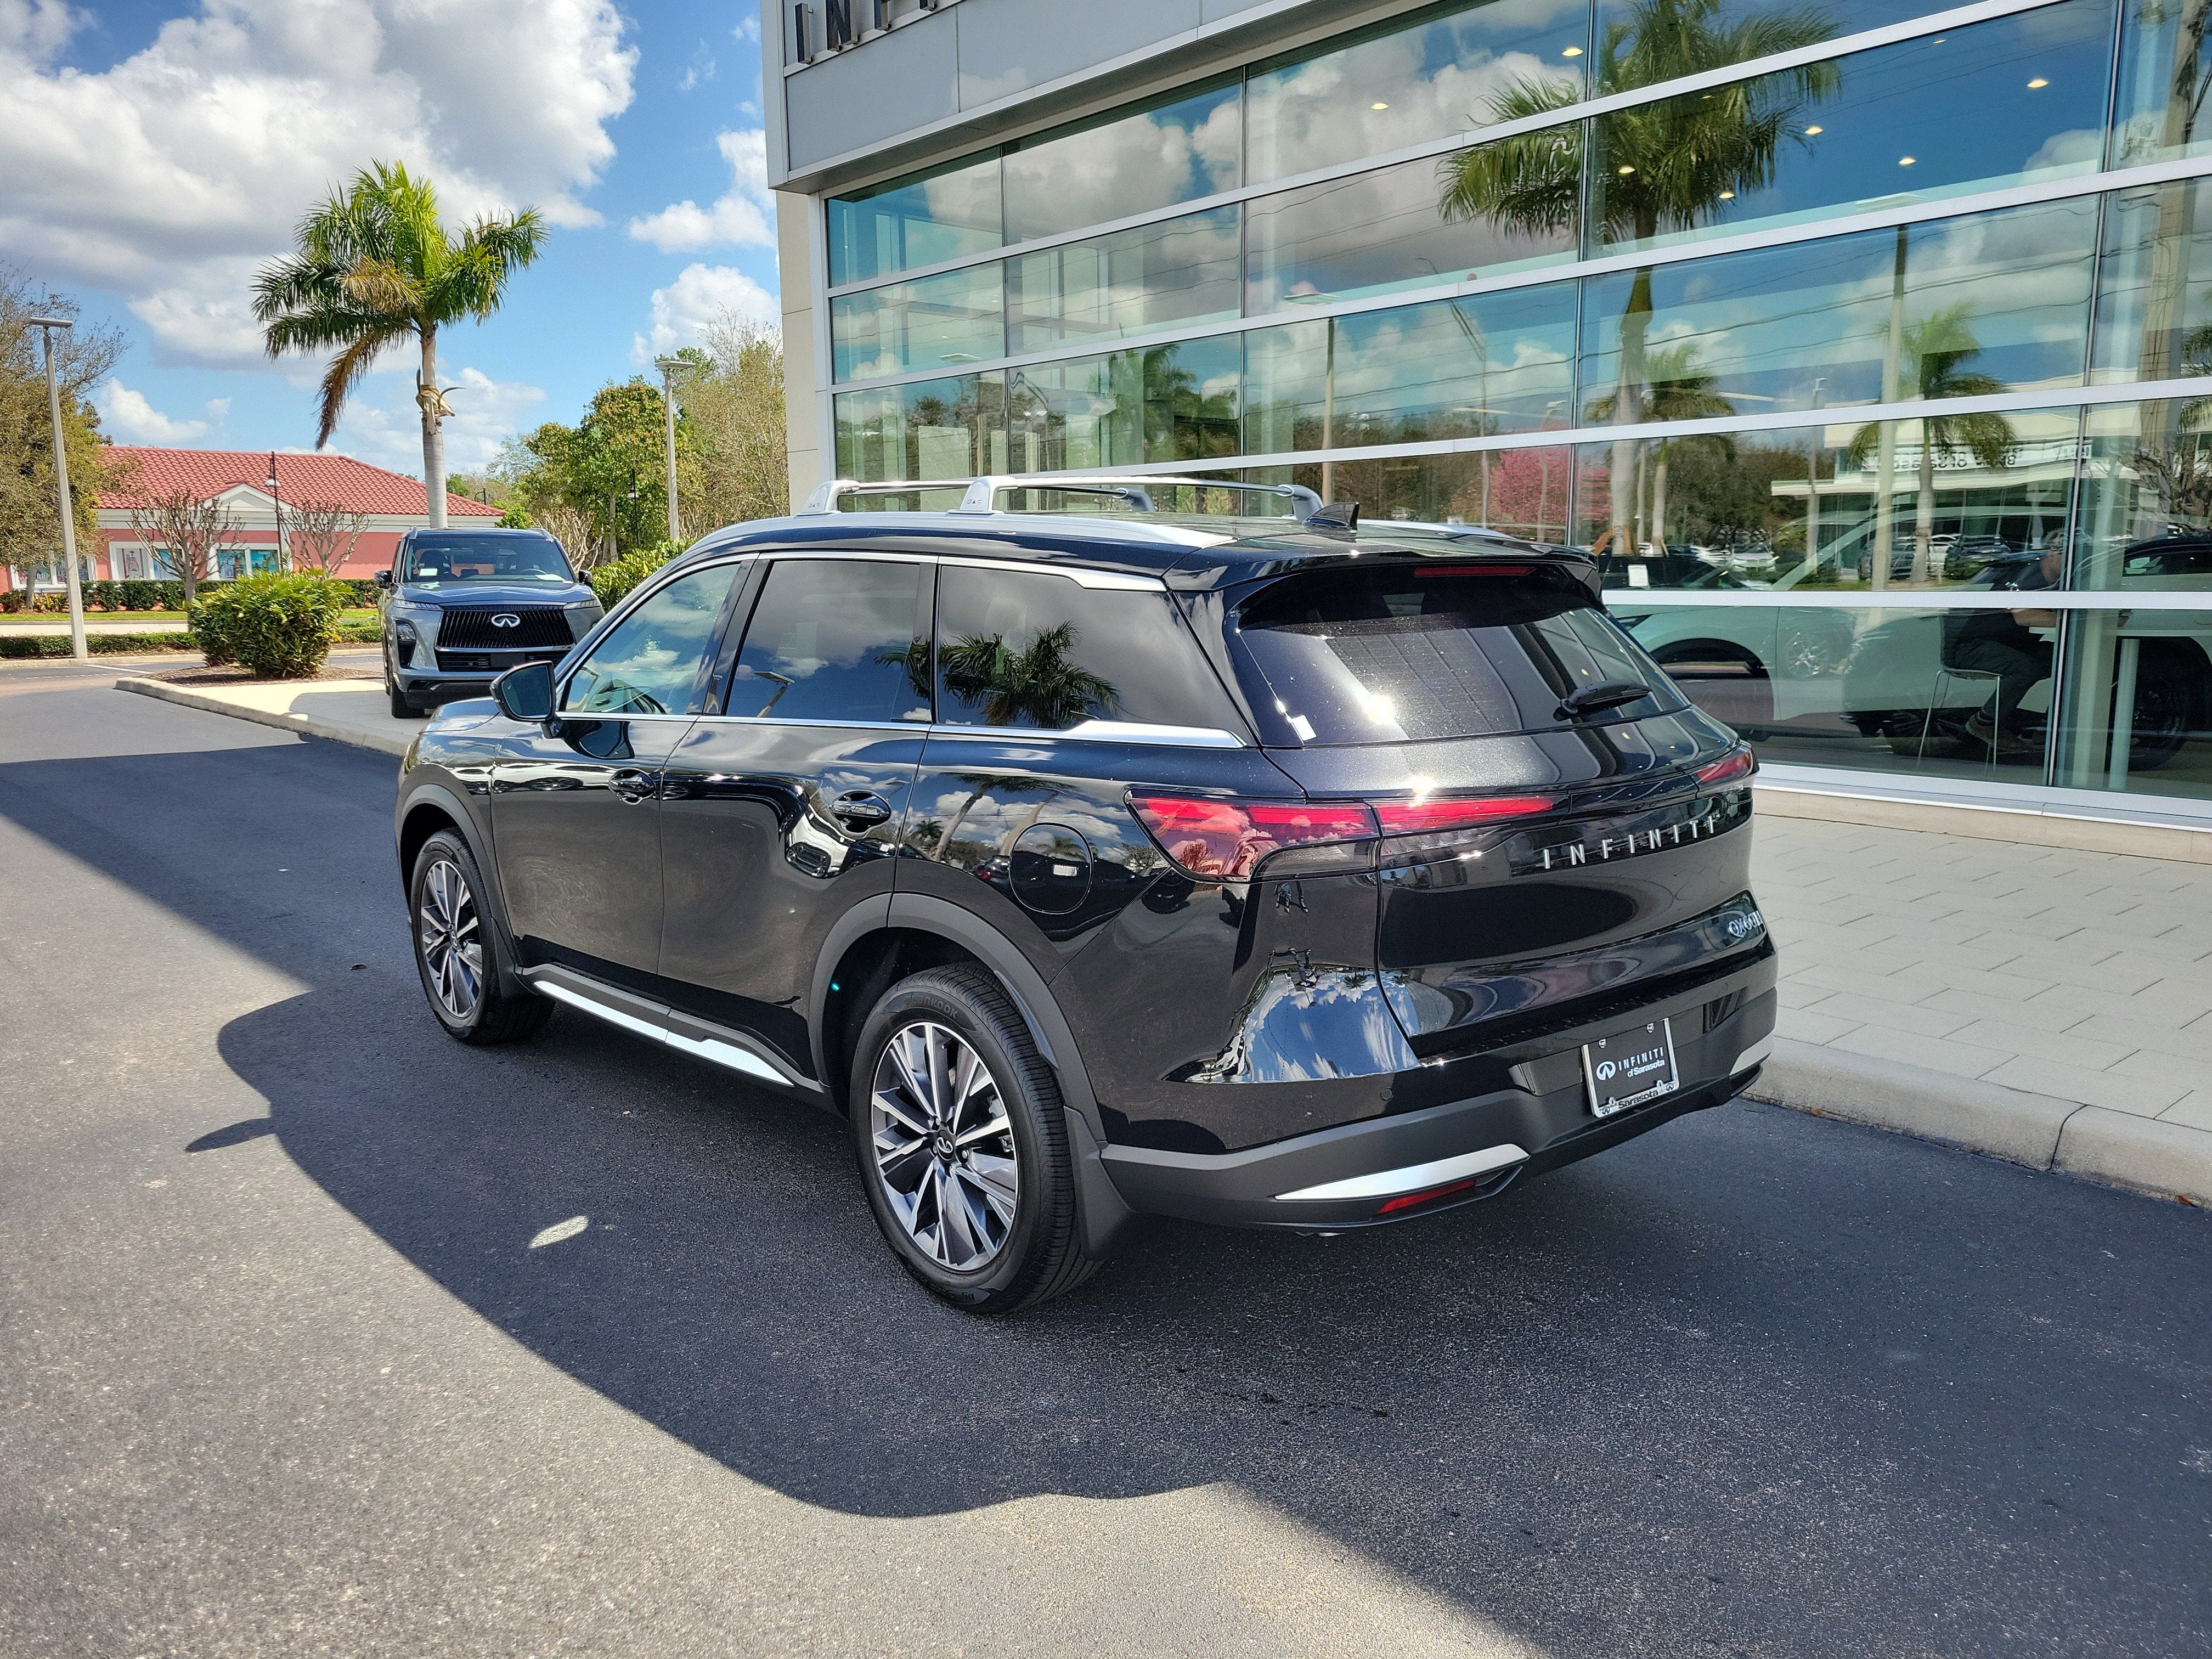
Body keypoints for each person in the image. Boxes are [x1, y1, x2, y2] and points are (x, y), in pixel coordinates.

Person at [1940, 540, 2060, 759]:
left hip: (2013, 645)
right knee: (2025, 667)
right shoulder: (2028, 574)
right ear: (2052, 554)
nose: (2075, 563)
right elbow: (2025, 616)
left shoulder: (2060, 580)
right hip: (1973, 647)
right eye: (2069, 556)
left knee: (2067, 656)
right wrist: (2078, 619)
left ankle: (2049, 727)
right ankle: (1984, 723)